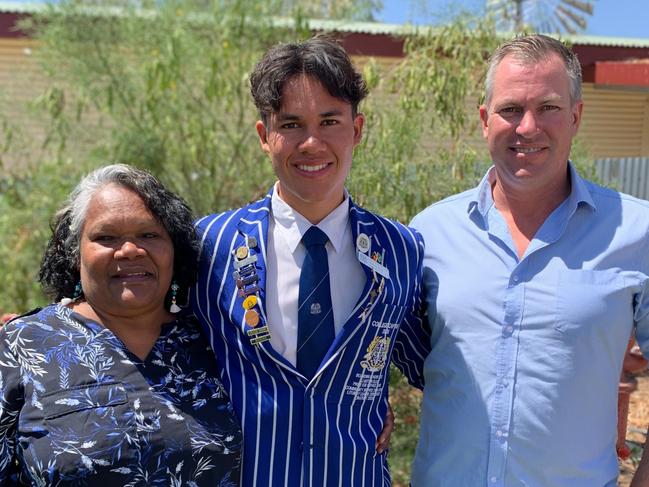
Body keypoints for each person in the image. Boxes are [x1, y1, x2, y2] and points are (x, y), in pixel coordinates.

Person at [410, 34, 649, 486]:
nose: (527, 127)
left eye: (549, 108)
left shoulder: (636, 233)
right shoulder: (428, 233)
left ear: (575, 117)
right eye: (510, 110)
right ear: (485, 120)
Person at [191, 36, 430, 486]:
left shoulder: (401, 250)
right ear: (265, 136)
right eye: (292, 124)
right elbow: (157, 347)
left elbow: (435, 369)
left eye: (329, 121)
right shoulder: (210, 244)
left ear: (356, 130)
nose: (312, 143)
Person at [0, 164, 242, 486]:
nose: (130, 250)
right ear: (75, 253)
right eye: (106, 237)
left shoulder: (214, 337)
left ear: (175, 249)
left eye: (149, 234)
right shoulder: (21, 345)